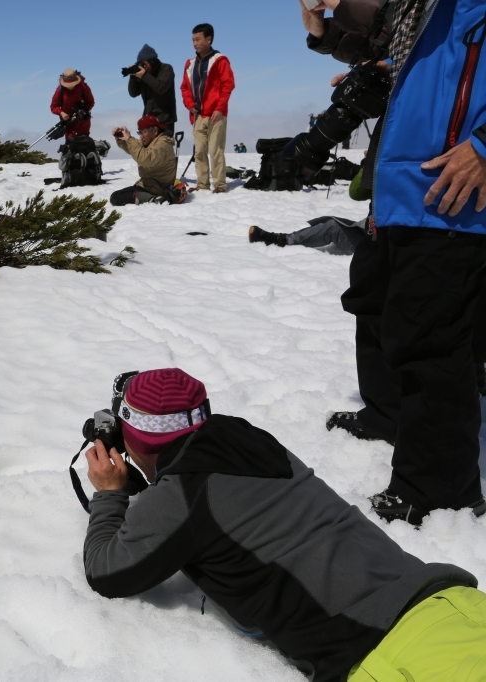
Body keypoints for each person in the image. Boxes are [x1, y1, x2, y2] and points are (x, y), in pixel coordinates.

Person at [81, 368, 486, 682]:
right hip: (454, 603)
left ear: (135, 439)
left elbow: (107, 572)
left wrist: (109, 493)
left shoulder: (181, 496)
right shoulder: (251, 440)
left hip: (394, 653)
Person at [301, 0, 486, 524]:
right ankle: (388, 414)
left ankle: (441, 489)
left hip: (457, 182)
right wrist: (324, 25)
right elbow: (389, 40)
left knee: (431, 332)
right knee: (376, 297)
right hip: (403, 176)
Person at [180, 23, 235, 193]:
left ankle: (219, 185)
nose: (195, 43)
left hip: (216, 114)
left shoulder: (220, 60)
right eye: (193, 40)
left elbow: (228, 85)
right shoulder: (190, 63)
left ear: (208, 39)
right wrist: (189, 105)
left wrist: (219, 108)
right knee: (200, 151)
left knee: (215, 150)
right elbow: (184, 88)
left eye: (198, 39)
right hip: (198, 115)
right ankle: (202, 184)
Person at [108, 115, 177, 206]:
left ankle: (154, 199)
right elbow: (135, 149)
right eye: (139, 132)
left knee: (117, 197)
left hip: (158, 187)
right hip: (152, 185)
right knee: (118, 196)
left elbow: (144, 158)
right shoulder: (152, 141)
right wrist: (122, 139)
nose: (141, 136)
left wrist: (129, 139)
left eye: (143, 132)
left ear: (155, 131)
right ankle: (151, 198)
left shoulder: (162, 144)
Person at [126, 44, 177, 136]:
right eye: (141, 64)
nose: (144, 67)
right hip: (148, 120)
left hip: (165, 121)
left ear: (152, 61)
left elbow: (161, 88)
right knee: (148, 150)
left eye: (145, 64)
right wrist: (133, 77)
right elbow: (133, 93)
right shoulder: (145, 75)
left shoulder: (166, 69)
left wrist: (145, 75)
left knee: (162, 149)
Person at [50, 69, 95, 139]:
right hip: (68, 124)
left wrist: (83, 110)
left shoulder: (84, 87)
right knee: (71, 144)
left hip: (83, 123)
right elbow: (53, 106)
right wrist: (61, 113)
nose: (70, 86)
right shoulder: (60, 90)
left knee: (83, 144)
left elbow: (91, 102)